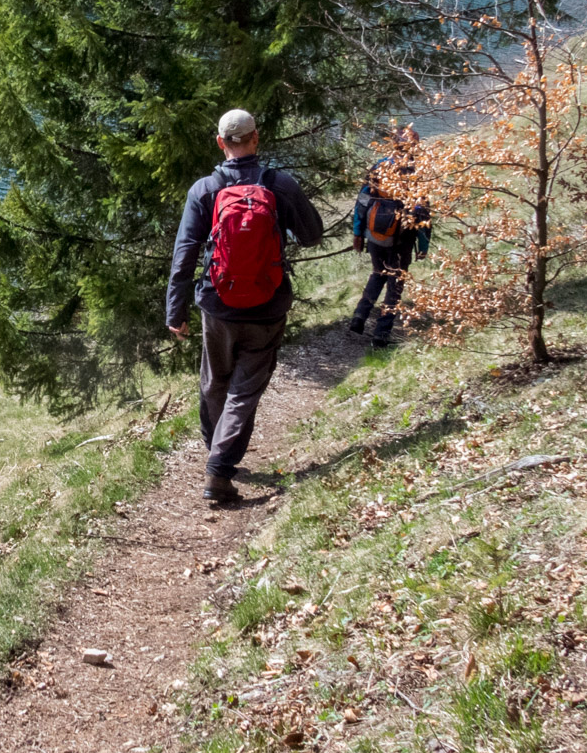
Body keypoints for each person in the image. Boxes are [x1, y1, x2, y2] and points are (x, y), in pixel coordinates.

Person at [166, 109, 325, 503]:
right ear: (257, 137)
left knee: (215, 380)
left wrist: (175, 311)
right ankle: (219, 467)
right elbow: (312, 236)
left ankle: (215, 452)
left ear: (221, 143)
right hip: (268, 304)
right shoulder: (280, 184)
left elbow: (184, 254)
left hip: (218, 305)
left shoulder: (204, 189)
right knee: (245, 390)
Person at [348, 129, 431, 349]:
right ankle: (381, 333)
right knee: (395, 283)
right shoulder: (415, 173)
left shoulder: (380, 166)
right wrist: (423, 245)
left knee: (378, 274)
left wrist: (358, 233)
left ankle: (359, 316)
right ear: (414, 147)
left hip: (376, 234)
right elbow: (423, 213)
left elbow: (363, 201)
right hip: (402, 238)